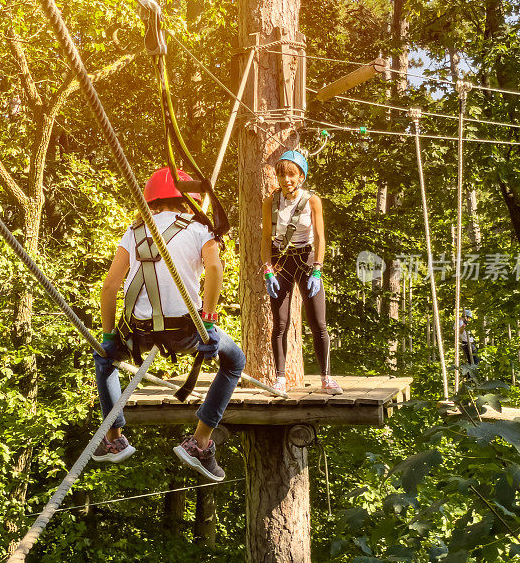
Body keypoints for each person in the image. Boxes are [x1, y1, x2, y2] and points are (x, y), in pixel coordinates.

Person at [91, 167, 245, 482]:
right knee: (234, 361)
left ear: (151, 201)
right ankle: (200, 441)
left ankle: (114, 438)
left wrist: (108, 336)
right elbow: (215, 270)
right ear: (189, 200)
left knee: (105, 360)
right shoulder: (201, 229)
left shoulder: (133, 232)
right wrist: (210, 320)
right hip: (188, 331)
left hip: (139, 333)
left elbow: (109, 288)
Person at [260, 150, 342, 395]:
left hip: (306, 259)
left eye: (292, 175)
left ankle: (326, 378)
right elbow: (265, 238)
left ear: (302, 176)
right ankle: (280, 378)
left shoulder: (312, 200)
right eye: (282, 175)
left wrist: (318, 269)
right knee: (280, 323)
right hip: (281, 262)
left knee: (319, 323)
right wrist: (267, 270)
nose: (287, 180)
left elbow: (320, 237)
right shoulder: (270, 201)